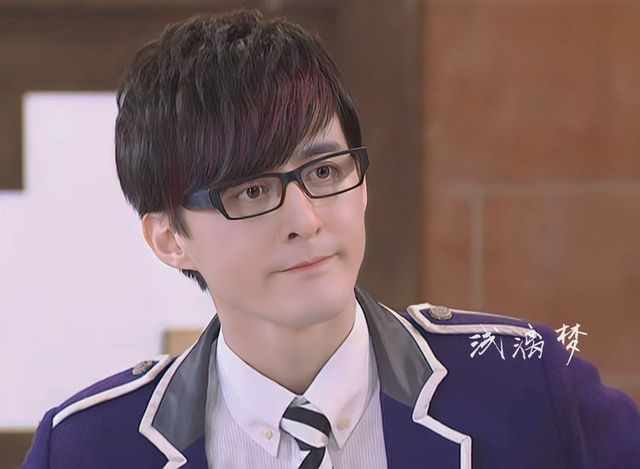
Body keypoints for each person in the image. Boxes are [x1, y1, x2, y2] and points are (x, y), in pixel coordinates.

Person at [23, 9, 639, 469]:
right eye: (252, 191)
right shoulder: (86, 447)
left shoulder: (527, 384)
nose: (306, 219)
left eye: (323, 172)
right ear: (169, 238)